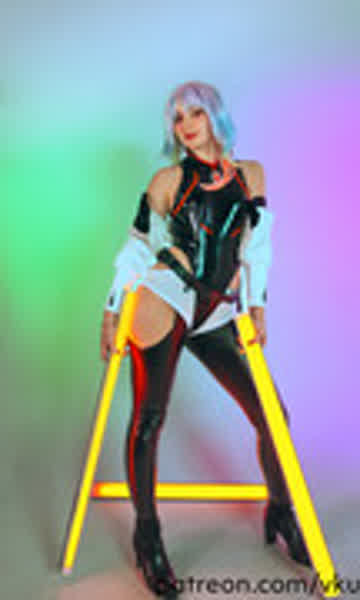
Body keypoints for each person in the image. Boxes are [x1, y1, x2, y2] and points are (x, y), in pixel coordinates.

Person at [100, 81, 311, 598]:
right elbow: (137, 248)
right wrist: (111, 311)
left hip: (215, 309)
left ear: (215, 115)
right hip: (166, 296)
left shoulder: (251, 174)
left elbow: (257, 248)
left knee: (273, 417)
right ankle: (148, 537)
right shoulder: (169, 180)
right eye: (177, 118)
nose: (186, 126)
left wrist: (257, 305)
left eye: (195, 113)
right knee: (149, 419)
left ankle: (280, 511)